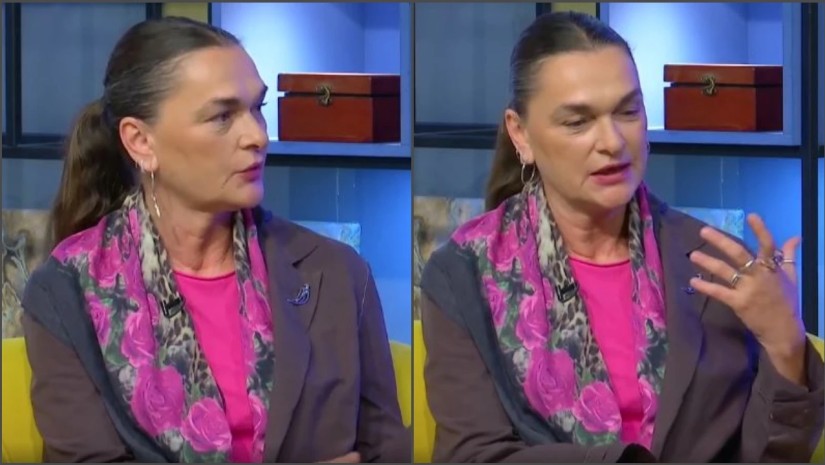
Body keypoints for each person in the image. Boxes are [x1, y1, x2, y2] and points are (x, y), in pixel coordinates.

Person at [419, 11, 824, 463]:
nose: (612, 142)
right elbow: (475, 455)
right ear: (521, 133)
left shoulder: (716, 267)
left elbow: (771, 456)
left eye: (628, 111)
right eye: (578, 122)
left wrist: (785, 344)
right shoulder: (464, 274)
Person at [21, 17, 409, 463]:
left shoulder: (337, 273)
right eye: (222, 116)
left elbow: (385, 450)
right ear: (141, 141)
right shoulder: (67, 292)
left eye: (257, 108)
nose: (257, 136)